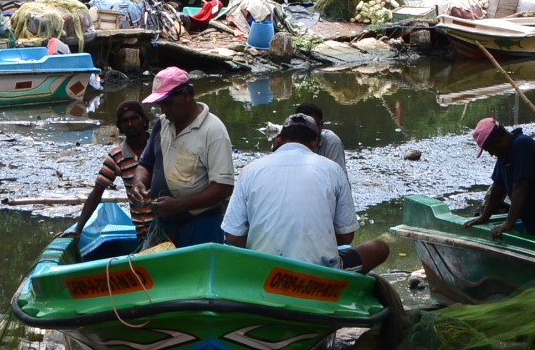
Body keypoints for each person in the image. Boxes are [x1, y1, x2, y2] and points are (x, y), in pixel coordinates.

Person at [223, 113, 389, 271]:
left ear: (278, 139)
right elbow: (346, 236)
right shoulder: (333, 170)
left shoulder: (250, 170)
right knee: (379, 248)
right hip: (320, 272)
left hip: (264, 269)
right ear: (314, 143)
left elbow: (232, 237)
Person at [143, 67, 235, 246]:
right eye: (160, 105)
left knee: (197, 272)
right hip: (165, 221)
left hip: (201, 224)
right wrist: (139, 182)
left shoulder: (213, 131)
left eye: (168, 103)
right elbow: (146, 163)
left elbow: (223, 187)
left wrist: (179, 205)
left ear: (185, 95)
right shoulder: (163, 123)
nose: (164, 110)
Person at [466, 118, 535, 241]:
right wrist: (484, 216)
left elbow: (521, 186)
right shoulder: (503, 154)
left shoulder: (522, 145)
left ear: (497, 141)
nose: (491, 154)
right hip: (534, 220)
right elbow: (498, 187)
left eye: (489, 150)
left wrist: (509, 223)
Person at [72, 99, 153, 251]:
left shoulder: (160, 147)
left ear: (143, 121)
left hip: (168, 224)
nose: (130, 124)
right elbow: (96, 194)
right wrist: (78, 229)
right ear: (120, 127)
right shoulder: (116, 156)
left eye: (134, 119)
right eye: (125, 121)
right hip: (143, 231)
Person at [297, 101, 351, 180]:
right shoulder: (290, 141)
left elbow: (339, 178)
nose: (310, 129)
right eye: (306, 125)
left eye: (314, 125)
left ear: (321, 125)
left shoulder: (332, 142)